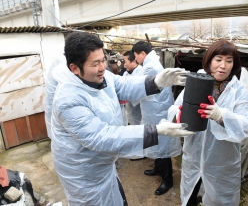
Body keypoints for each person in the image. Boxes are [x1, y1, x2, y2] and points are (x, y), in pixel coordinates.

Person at [45, 32, 194, 206]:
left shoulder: (100, 76)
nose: (103, 67)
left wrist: (157, 82)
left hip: (102, 162)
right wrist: (155, 131)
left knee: (115, 196)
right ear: (74, 68)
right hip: (84, 173)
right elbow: (103, 137)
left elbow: (123, 85)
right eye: (95, 63)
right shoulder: (67, 100)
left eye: (103, 60)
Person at [173, 39, 248, 205]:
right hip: (193, 160)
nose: (223, 66)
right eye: (218, 60)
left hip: (221, 164)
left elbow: (245, 126)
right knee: (189, 198)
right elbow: (175, 108)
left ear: (234, 64)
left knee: (220, 201)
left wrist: (221, 116)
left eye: (229, 61)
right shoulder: (196, 83)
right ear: (209, 61)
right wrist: (178, 115)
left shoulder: (239, 91)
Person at [132, 41, 181, 195]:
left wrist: (130, 96)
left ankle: (167, 180)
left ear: (142, 53)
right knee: (154, 142)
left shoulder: (150, 66)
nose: (136, 61)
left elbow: (142, 89)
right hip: (153, 111)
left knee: (161, 146)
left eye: (136, 57)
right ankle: (158, 169)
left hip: (157, 112)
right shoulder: (151, 64)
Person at [122, 51, 143, 125]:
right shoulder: (126, 73)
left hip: (139, 110)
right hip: (130, 109)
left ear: (134, 62)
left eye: (125, 62)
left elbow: (137, 94)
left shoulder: (141, 73)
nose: (124, 65)